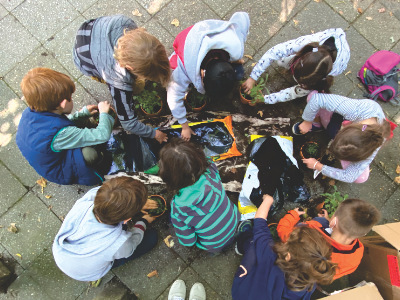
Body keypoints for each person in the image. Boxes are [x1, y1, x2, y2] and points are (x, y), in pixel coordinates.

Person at [73, 15, 169, 144]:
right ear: (128, 67)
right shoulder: (117, 79)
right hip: (85, 60)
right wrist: (154, 133)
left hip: (89, 32)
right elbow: (128, 123)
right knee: (135, 88)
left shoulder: (124, 22)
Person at [16, 67, 114, 186]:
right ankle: (102, 163)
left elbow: (56, 126)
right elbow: (102, 135)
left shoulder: (32, 111)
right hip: (59, 170)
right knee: (89, 153)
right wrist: (104, 113)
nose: (72, 99)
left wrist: (82, 114)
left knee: (75, 130)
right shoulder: (59, 134)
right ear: (62, 103)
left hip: (46, 157)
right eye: (70, 97)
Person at [52, 176, 158, 281]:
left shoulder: (91, 197)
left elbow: (116, 197)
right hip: (88, 273)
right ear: (127, 219)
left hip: (61, 253)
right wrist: (144, 221)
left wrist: (136, 204)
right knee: (152, 238)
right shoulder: (119, 243)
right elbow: (130, 248)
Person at [232, 194, 337, 300]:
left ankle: (240, 245)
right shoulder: (310, 283)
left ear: (288, 256)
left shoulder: (270, 254)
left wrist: (268, 201)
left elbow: (260, 224)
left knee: (254, 242)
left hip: (243, 293)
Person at [167, 12, 250, 141]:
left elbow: (242, 18)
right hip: (188, 46)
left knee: (239, 72)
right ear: (202, 73)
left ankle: (234, 63)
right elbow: (173, 100)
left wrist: (236, 58)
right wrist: (184, 126)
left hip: (209, 37)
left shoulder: (235, 43)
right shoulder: (179, 73)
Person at [159, 138, 240, 253]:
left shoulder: (179, 210)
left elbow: (188, 241)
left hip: (215, 245)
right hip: (235, 219)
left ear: (169, 178)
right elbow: (206, 159)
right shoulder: (211, 171)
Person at [293, 92, 393, 183]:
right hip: (337, 119)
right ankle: (318, 122)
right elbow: (317, 99)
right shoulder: (359, 109)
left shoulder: (370, 151)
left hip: (349, 139)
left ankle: (325, 127)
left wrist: (318, 166)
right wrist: (307, 121)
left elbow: (350, 176)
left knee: (361, 177)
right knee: (311, 97)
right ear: (346, 129)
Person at [277, 198, 380, 280]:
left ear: (333, 221)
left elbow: (283, 232)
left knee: (318, 220)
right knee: (321, 220)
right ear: (364, 233)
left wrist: (292, 215)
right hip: (310, 276)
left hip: (291, 262)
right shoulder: (357, 254)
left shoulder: (307, 232)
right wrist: (327, 220)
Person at [242, 28, 350, 104]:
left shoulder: (331, 71)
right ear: (303, 56)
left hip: (335, 62)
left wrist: (265, 99)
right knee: (281, 61)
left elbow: (293, 93)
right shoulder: (305, 43)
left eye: (303, 84)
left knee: (307, 92)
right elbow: (273, 52)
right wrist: (253, 77)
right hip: (323, 44)